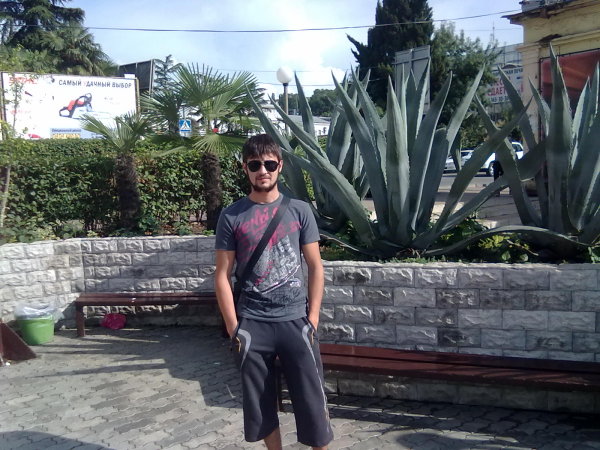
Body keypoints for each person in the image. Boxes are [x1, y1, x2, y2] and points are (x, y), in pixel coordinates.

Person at [214, 134, 333, 450]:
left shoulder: (299, 210)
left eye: (269, 164)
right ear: (245, 168)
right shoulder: (232, 215)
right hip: (253, 324)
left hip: (296, 321)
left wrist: (313, 318)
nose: (262, 171)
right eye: (255, 165)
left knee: (312, 403)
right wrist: (234, 328)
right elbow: (222, 274)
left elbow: (315, 266)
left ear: (279, 166)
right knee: (261, 406)